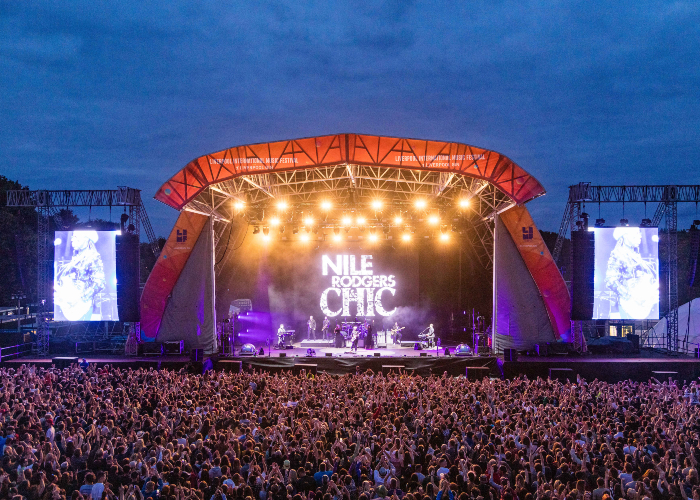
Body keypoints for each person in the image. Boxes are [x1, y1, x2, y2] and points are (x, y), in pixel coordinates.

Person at [604, 227, 659, 319]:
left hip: (643, 303)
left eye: (639, 233)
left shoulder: (635, 254)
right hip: (631, 305)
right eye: (635, 234)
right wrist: (630, 296)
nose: (640, 236)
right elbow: (610, 280)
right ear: (625, 236)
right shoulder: (618, 254)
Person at [54, 231, 106, 321]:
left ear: (86, 239)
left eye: (76, 236)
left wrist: (81, 298)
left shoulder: (92, 257)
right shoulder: (75, 258)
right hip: (69, 307)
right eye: (72, 237)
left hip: (81, 307)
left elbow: (100, 282)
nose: (72, 239)